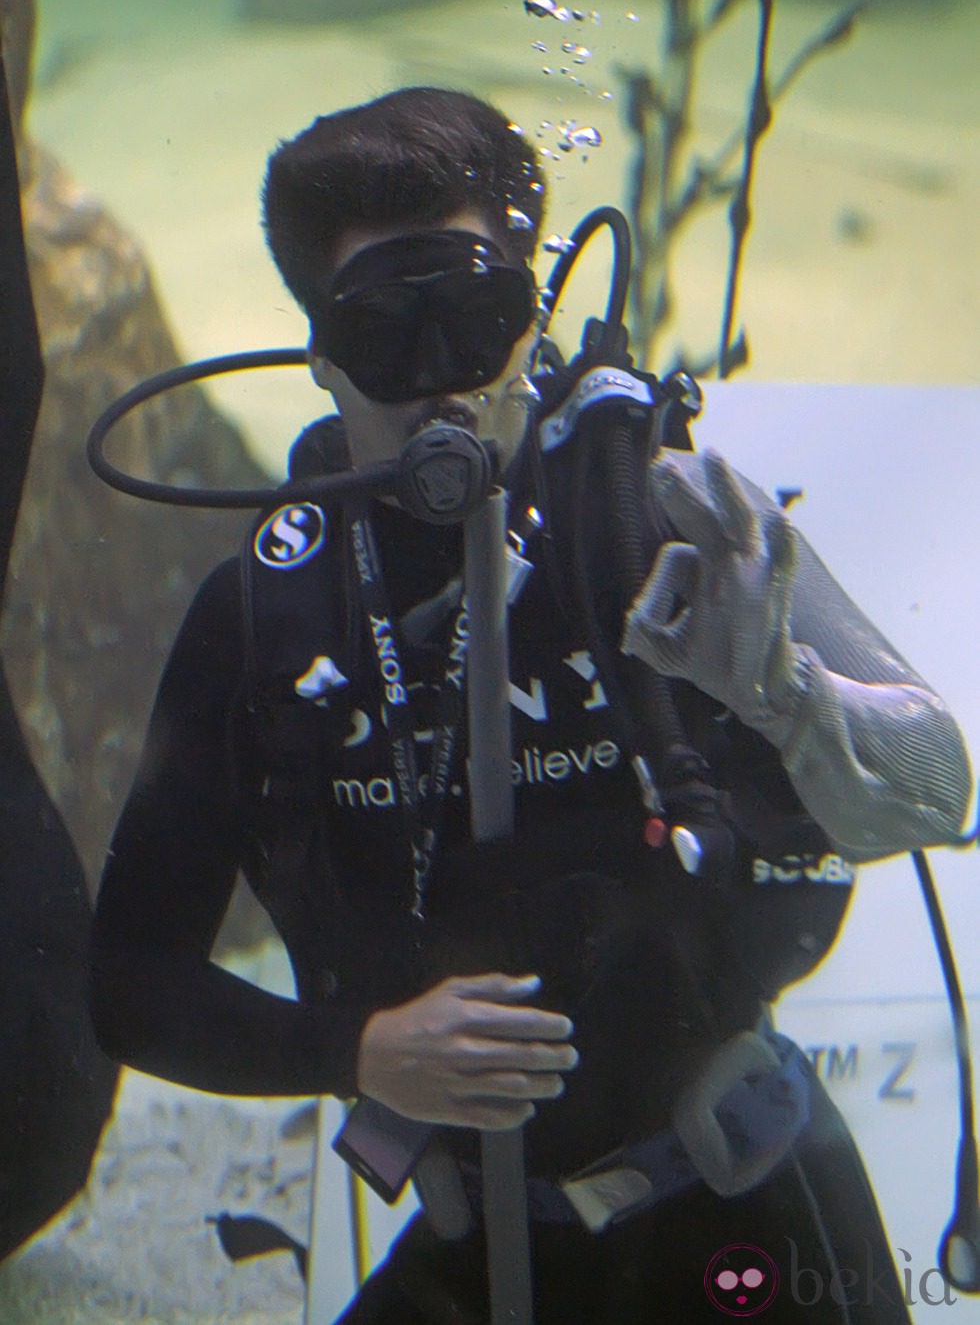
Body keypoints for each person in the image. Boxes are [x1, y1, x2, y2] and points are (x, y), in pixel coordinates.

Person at [90, 86, 972, 1324]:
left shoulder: (666, 523)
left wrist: (783, 694)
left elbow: (939, 787)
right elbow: (127, 980)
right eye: (386, 335)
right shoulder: (261, 621)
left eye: (477, 317)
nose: (438, 385)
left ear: (533, 317)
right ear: (320, 357)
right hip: (469, 1248)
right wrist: (351, 1052)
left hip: (742, 1213)